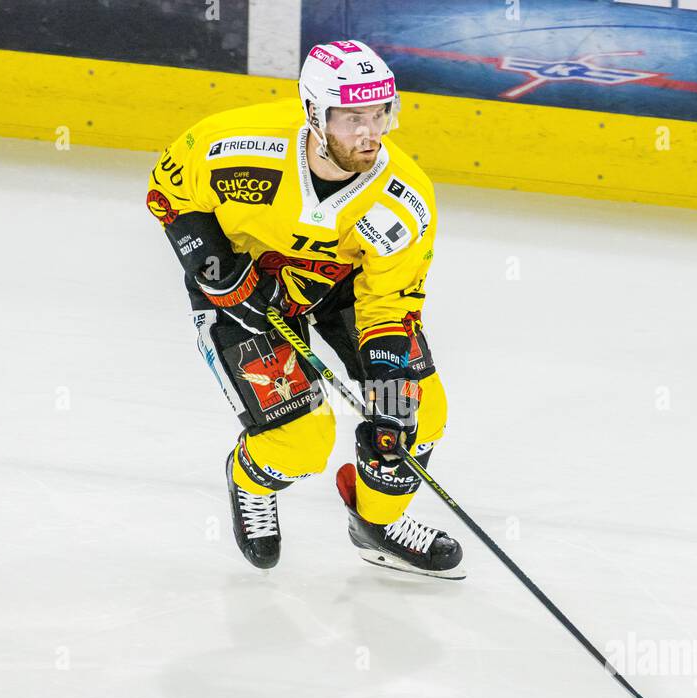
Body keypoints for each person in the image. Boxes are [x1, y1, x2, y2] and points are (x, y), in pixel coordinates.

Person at [147, 39, 462, 579]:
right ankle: (248, 479)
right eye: (351, 116)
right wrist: (220, 275)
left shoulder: (404, 199)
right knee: (300, 447)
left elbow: (389, 305)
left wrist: (388, 393)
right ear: (314, 113)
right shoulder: (238, 147)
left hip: (341, 287)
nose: (369, 132)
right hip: (246, 290)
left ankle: (377, 524)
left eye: (380, 112)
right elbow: (168, 194)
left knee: (416, 412)